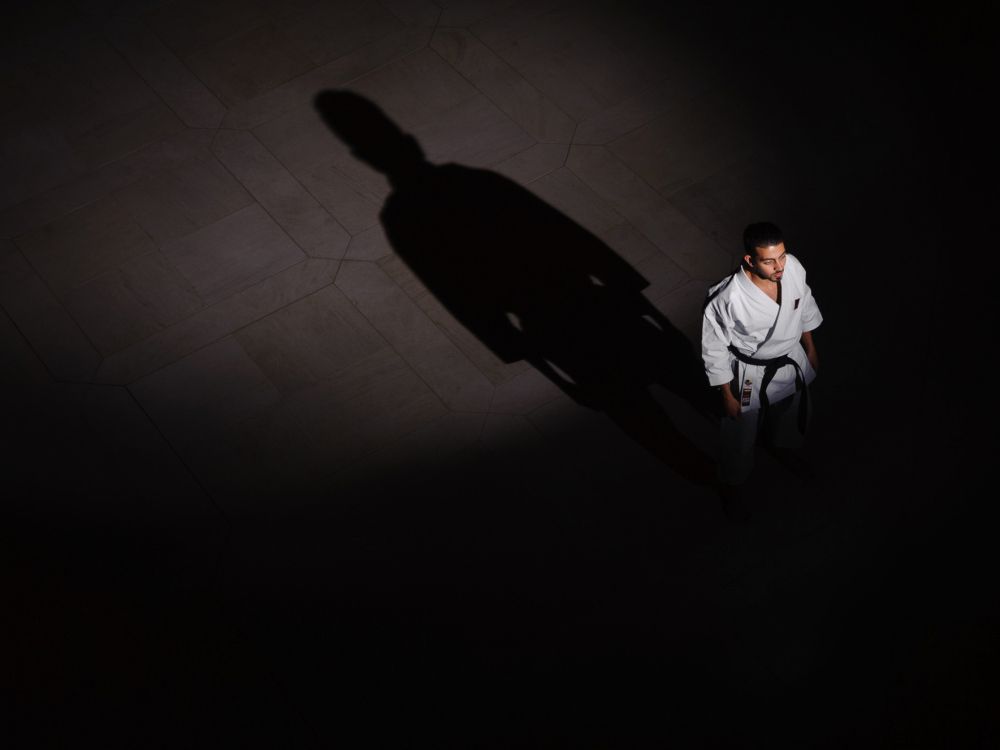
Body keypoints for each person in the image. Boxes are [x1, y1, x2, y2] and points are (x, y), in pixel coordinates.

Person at [701, 222, 823, 514]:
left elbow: (802, 305)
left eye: (781, 256)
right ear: (750, 260)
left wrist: (811, 348)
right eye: (769, 261)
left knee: (791, 413)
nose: (779, 265)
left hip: (790, 359)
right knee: (739, 436)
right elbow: (714, 347)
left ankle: (784, 448)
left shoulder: (792, 267)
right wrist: (726, 395)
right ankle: (733, 484)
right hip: (750, 373)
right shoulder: (726, 297)